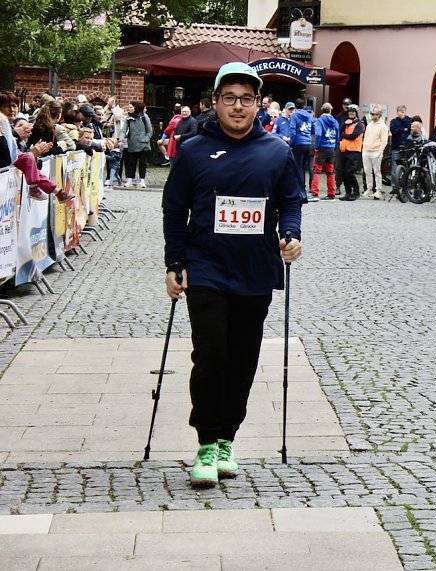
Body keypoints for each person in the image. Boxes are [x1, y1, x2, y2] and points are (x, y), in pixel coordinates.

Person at [162, 62, 304, 488]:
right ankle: (205, 442)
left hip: (255, 270)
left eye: (246, 99)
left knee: (242, 359)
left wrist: (291, 234)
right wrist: (174, 263)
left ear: (258, 103)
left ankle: (227, 438)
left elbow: (292, 201)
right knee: (211, 355)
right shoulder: (192, 150)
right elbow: (174, 209)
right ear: (216, 102)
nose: (238, 107)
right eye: (229, 98)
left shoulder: (277, 151)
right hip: (205, 268)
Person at [311, 102, 339, 201]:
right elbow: (337, 135)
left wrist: (316, 147)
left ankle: (315, 194)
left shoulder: (320, 121)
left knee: (317, 171)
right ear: (330, 110)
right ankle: (331, 194)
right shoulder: (335, 121)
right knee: (330, 172)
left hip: (322, 148)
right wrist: (335, 147)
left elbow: (318, 135)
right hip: (331, 148)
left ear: (322, 109)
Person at [362, 106, 389, 199]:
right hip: (366, 151)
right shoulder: (369, 125)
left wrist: (379, 151)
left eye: (374, 114)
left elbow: (384, 141)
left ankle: (378, 190)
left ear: (379, 115)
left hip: (376, 152)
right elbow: (365, 137)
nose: (372, 115)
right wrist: (364, 148)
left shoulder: (383, 126)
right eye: (371, 114)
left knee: (377, 172)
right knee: (367, 171)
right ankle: (369, 189)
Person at [339, 104, 364, 201]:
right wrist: (345, 124)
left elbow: (353, 136)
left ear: (356, 113)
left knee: (349, 172)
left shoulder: (359, 124)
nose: (351, 113)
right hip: (345, 150)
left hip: (354, 151)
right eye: (350, 112)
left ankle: (356, 192)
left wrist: (343, 135)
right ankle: (348, 192)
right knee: (343, 173)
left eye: (353, 112)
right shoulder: (347, 122)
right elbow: (339, 131)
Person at [288, 98, 314, 193]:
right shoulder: (309, 116)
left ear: (295, 106)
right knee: (304, 167)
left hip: (298, 143)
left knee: (297, 167)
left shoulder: (294, 115)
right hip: (308, 143)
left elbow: (292, 131)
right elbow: (313, 130)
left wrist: (291, 144)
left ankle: (299, 188)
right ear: (304, 106)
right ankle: (303, 187)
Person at [124, 101, 152, 187]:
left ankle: (142, 180)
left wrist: (146, 139)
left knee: (142, 163)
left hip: (143, 145)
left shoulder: (144, 117)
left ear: (136, 108)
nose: (129, 109)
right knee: (131, 162)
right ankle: (129, 179)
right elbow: (123, 130)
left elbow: (149, 130)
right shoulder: (128, 118)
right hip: (132, 144)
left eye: (131, 107)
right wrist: (121, 139)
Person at [389, 105, 411, 196]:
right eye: (399, 111)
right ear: (396, 112)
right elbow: (393, 131)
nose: (401, 112)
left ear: (405, 111)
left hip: (407, 147)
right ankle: (394, 187)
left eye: (403, 111)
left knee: (406, 168)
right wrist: (403, 129)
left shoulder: (409, 120)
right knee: (394, 168)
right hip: (396, 147)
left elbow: (410, 128)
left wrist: (403, 119)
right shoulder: (393, 121)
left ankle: (405, 186)